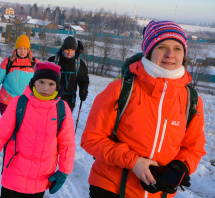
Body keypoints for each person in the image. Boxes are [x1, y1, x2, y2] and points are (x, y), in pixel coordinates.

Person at [81, 21, 206, 198]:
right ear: (149, 51)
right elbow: (91, 139)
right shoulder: (120, 89)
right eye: (162, 47)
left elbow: (194, 149)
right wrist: (133, 162)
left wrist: (181, 167)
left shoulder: (192, 101)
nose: (170, 54)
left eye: (177, 48)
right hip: (110, 188)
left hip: (159, 193)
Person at [0, 62, 76, 198]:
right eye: (41, 82)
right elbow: (0, 135)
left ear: (57, 87)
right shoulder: (19, 103)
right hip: (13, 175)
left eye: (51, 84)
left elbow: (67, 144)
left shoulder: (62, 109)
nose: (45, 88)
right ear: (33, 82)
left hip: (40, 179)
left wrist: (64, 170)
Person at [0, 34, 39, 115]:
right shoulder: (8, 62)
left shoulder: (35, 64)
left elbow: (41, 82)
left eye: (25, 49)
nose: (22, 51)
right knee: (8, 126)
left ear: (28, 50)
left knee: (22, 127)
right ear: (16, 49)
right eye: (20, 48)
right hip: (6, 102)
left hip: (26, 103)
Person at [48, 36, 89, 112]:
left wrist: (83, 89)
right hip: (53, 97)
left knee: (66, 121)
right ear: (63, 48)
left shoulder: (79, 64)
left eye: (72, 50)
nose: (69, 53)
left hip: (70, 99)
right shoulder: (53, 61)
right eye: (67, 50)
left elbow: (84, 79)